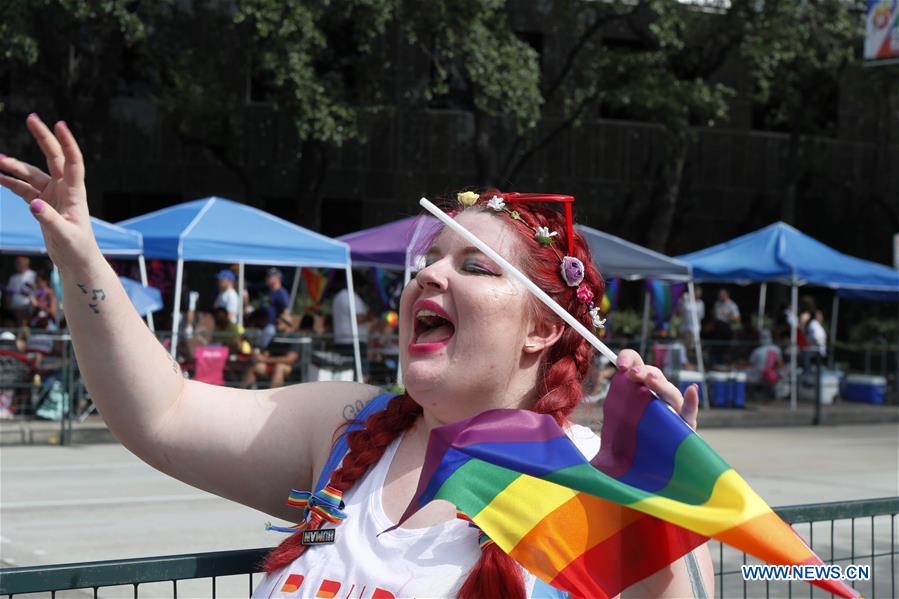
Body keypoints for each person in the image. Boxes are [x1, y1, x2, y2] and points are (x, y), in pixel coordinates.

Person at [0, 116, 710, 598]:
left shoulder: (601, 476)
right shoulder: (347, 424)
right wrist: (81, 257)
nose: (429, 276)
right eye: (430, 259)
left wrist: (654, 499)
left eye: (477, 266)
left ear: (540, 331)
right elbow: (163, 410)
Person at [241, 313, 302, 389]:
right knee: (256, 366)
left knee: (279, 367)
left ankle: (271, 396)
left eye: (281, 320)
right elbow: (267, 353)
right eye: (278, 319)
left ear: (288, 324)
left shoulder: (294, 337)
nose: (277, 321)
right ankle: (243, 393)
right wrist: (258, 356)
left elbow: (290, 359)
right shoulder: (276, 336)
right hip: (272, 364)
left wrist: (265, 359)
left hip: (292, 369)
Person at [259, 267, 290, 347]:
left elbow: (285, 311)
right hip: (262, 326)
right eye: (267, 276)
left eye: (270, 276)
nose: (267, 278)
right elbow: (263, 308)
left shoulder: (281, 292)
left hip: (273, 327)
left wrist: (284, 327)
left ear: (277, 278)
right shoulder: (267, 293)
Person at [4, 256, 36, 325]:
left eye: (19, 263)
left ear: (26, 264)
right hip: (15, 307)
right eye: (17, 263)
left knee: (24, 323)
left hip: (28, 306)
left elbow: (36, 289)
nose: (17, 265)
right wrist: (8, 305)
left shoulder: (33, 275)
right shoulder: (13, 278)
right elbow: (9, 293)